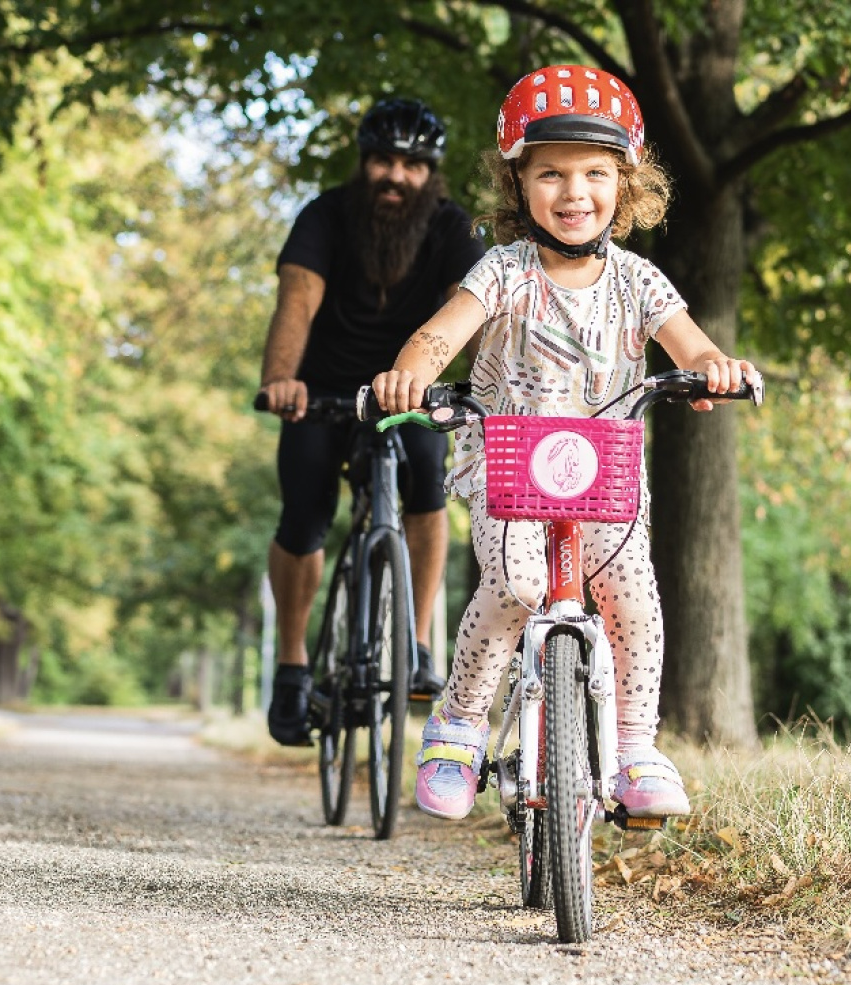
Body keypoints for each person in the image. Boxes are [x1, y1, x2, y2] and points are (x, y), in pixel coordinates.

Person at [371, 65, 762, 820]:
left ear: (627, 183)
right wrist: (407, 375)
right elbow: (437, 335)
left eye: (594, 173)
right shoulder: (505, 271)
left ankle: (635, 750)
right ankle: (457, 726)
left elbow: (691, 345)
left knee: (633, 601)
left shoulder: (640, 282)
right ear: (520, 184)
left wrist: (712, 371)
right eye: (550, 173)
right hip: (509, 468)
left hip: (604, 474)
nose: (573, 192)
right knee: (516, 583)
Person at [259, 98, 486, 746]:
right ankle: (294, 665)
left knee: (425, 480)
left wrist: (487, 389)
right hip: (323, 388)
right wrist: (281, 378)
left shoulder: (449, 228)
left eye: (412, 165)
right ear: (365, 164)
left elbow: (465, 315)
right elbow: (296, 302)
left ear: (430, 173)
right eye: (385, 161)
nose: (396, 176)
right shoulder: (325, 216)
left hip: (410, 391)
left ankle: (415, 646)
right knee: (302, 515)